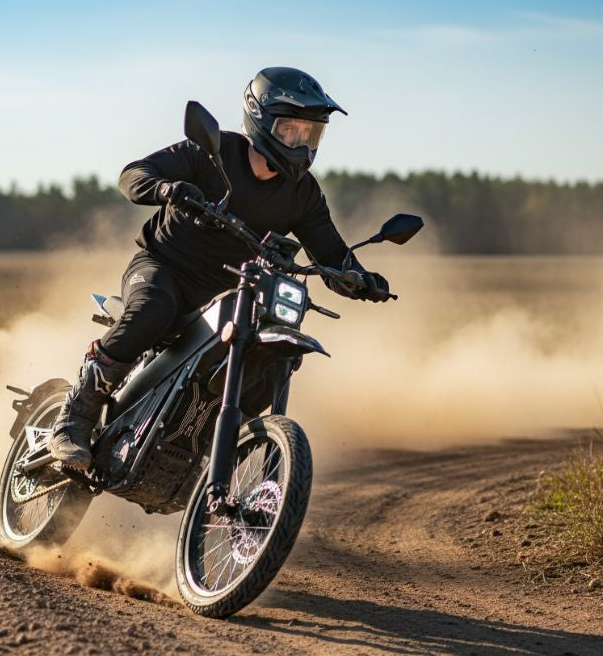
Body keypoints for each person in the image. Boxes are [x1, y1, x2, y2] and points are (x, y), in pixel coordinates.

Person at [48, 66, 390, 469]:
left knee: (268, 353)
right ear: (260, 120)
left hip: (230, 294)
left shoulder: (303, 194)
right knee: (153, 308)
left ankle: (213, 451)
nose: (300, 142)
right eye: (289, 130)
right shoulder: (211, 152)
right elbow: (133, 174)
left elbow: (330, 253)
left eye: (309, 133)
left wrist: (359, 279)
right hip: (163, 268)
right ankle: (74, 418)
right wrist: (166, 188)